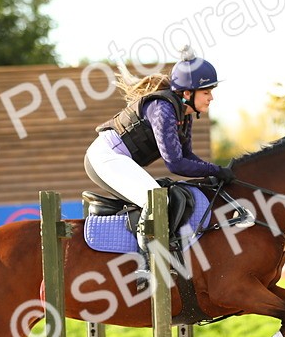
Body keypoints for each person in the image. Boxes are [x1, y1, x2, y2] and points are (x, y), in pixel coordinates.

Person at [85, 49, 231, 215]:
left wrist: (216, 171)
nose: (211, 98)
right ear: (187, 93)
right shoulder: (163, 110)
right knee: (158, 202)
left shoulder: (184, 115)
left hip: (118, 159)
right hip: (105, 158)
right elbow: (175, 164)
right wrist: (215, 171)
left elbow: (187, 155)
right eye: (206, 92)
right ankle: (145, 234)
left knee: (164, 198)